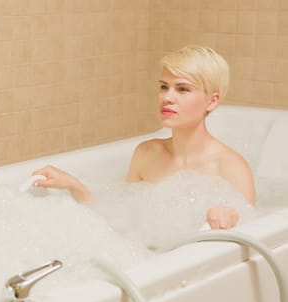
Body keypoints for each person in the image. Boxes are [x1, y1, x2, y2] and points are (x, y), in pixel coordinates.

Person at [32, 45, 256, 230]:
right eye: (163, 86)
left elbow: (251, 240)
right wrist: (73, 185)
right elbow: (119, 219)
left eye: (182, 89)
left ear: (212, 101)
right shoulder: (147, 154)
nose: (167, 97)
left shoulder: (231, 167)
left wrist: (227, 219)